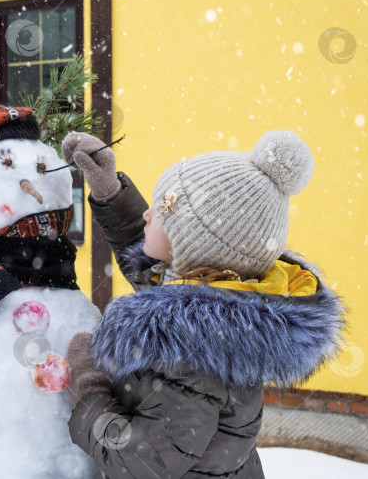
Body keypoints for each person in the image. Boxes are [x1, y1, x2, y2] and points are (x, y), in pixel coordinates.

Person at [62, 130, 346, 478]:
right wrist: (110, 191)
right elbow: (156, 261)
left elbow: (139, 461)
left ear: (192, 249)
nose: (149, 216)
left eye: (162, 213)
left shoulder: (193, 361)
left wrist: (89, 387)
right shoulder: (220, 299)